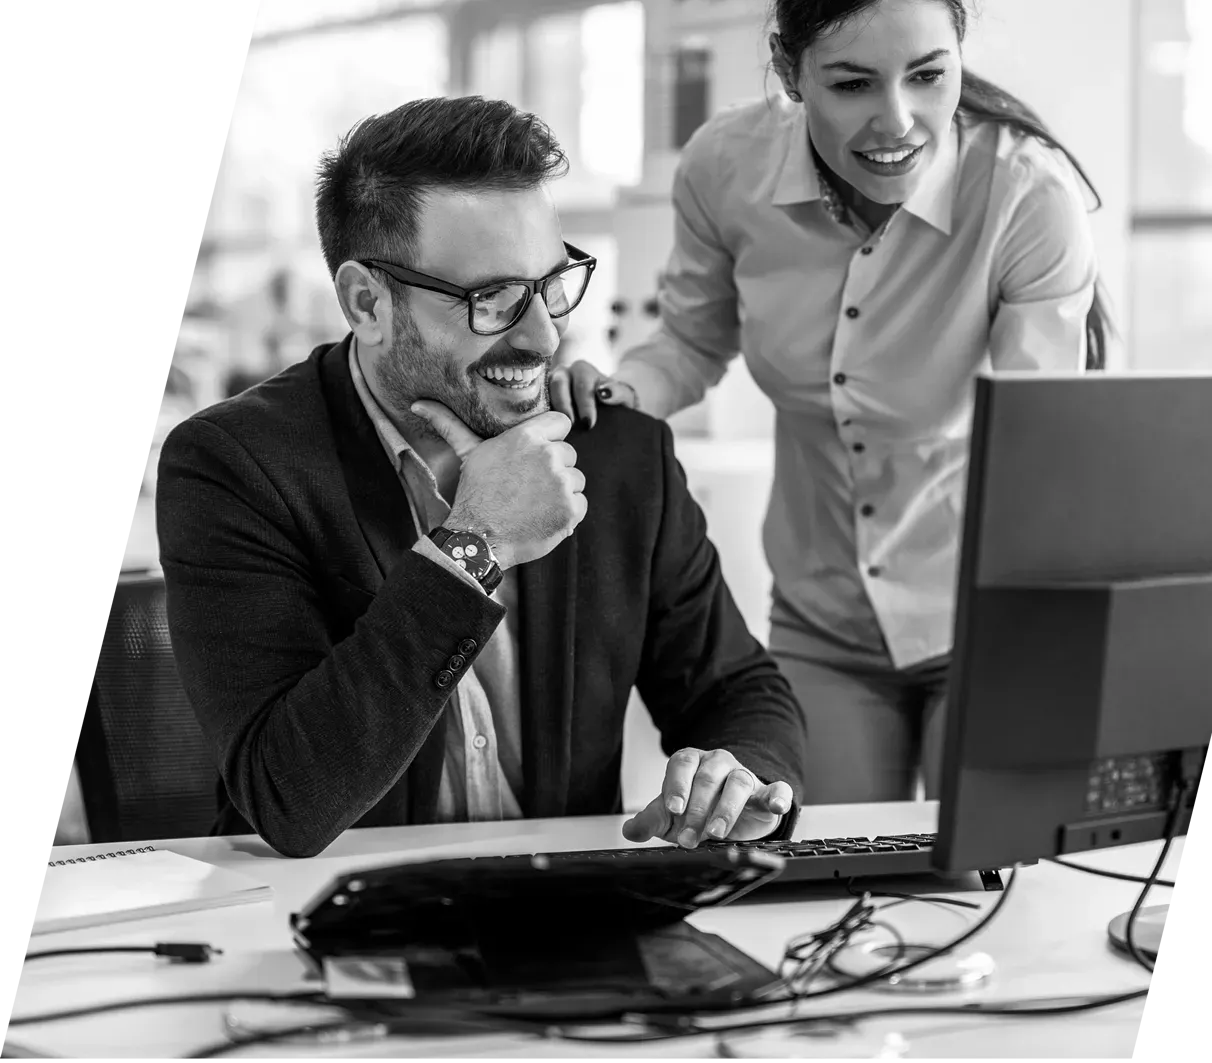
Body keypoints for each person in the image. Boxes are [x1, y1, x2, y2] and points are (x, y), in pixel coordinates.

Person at [553, 0, 1108, 806]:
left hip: (989, 610)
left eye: (929, 75)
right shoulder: (725, 168)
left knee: (997, 892)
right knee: (829, 886)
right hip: (821, 620)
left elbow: (1037, 445)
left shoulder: (1022, 196)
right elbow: (691, 340)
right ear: (789, 71)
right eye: (852, 83)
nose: (898, 120)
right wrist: (609, 395)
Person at [155, 96, 805, 859]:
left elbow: (741, 692)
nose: (544, 335)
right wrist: (476, 542)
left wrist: (738, 773)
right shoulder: (235, 466)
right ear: (368, 302)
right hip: (323, 916)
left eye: (550, 285)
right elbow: (288, 797)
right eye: (491, 299)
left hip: (562, 921)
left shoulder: (616, 451)